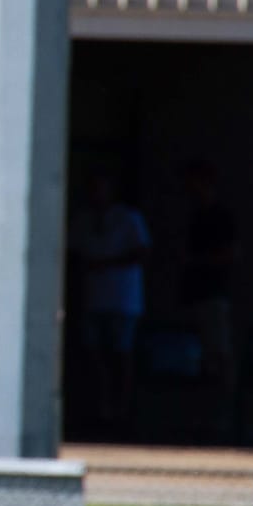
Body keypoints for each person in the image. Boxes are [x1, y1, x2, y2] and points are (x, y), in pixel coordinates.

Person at [69, 172, 151, 430]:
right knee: (94, 354)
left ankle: (122, 410)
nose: (97, 195)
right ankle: (101, 406)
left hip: (123, 299)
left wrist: (106, 263)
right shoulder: (83, 220)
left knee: (121, 354)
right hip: (93, 298)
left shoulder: (128, 218)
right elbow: (72, 252)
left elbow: (142, 252)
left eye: (101, 189)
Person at [177, 159, 238, 392]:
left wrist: (196, 261)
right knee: (199, 356)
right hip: (194, 293)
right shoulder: (195, 215)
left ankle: (223, 413)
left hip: (213, 293)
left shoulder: (220, 216)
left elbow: (232, 254)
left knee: (219, 353)